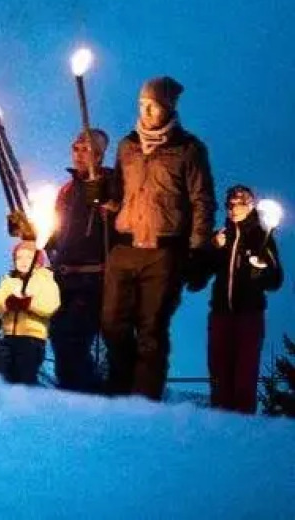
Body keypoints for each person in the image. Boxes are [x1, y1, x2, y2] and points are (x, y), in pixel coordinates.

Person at [101, 75, 216, 400]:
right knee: (111, 323)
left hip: (164, 253)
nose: (146, 110)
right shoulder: (128, 146)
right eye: (142, 104)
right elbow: (118, 194)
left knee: (151, 329)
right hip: (125, 249)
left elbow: (202, 201)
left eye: (153, 104)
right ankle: (121, 387)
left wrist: (198, 249)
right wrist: (104, 195)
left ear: (169, 107)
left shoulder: (188, 149)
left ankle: (143, 402)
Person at [197, 185, 284, 413]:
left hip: (249, 315)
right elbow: (200, 274)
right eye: (230, 204)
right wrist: (213, 248)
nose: (233, 209)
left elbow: (275, 280)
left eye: (239, 204)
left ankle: (242, 424)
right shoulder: (221, 236)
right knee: (219, 373)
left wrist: (261, 269)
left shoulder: (261, 237)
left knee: (244, 375)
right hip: (220, 314)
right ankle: (219, 422)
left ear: (250, 206)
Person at [44, 128, 114, 393]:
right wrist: (36, 235)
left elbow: (123, 216)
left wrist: (106, 200)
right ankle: (74, 396)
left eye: (86, 149)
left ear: (99, 155)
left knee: (74, 338)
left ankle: (85, 397)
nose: (78, 153)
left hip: (92, 278)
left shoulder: (110, 182)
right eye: (75, 147)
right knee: (59, 337)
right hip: (64, 276)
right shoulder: (67, 190)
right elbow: (58, 233)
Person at [0, 240, 62, 385]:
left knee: (24, 377)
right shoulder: (9, 281)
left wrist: (29, 303)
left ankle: (25, 397)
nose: (23, 261)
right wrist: (7, 303)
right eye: (19, 257)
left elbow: (50, 305)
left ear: (38, 261)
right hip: (8, 337)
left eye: (28, 257)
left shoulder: (44, 280)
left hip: (32, 339)